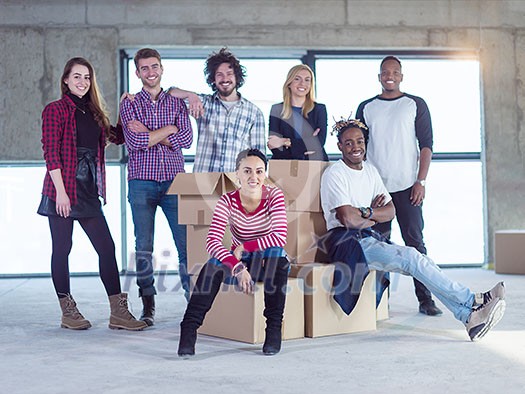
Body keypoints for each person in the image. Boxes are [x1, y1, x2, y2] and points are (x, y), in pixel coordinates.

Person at [320, 118, 505, 341]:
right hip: (345, 242)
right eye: (348, 143)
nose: (355, 147)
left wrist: (367, 214)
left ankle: (469, 317)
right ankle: (472, 301)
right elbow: (347, 219)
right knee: (410, 257)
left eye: (359, 141)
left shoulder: (370, 171)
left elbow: (390, 211)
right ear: (339, 146)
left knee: (420, 260)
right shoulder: (335, 174)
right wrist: (370, 215)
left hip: (367, 237)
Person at [37, 57, 147, 331]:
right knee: (62, 249)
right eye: (77, 76)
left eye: (87, 77)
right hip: (61, 189)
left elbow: (118, 136)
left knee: (106, 248)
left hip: (87, 191)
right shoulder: (55, 110)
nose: (82, 82)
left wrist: (126, 107)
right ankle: (67, 311)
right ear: (66, 80)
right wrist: (61, 193)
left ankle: (118, 312)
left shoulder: (94, 113)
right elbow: (50, 153)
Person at [177, 149, 289, 357]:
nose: (253, 177)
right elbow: (212, 242)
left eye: (259, 171)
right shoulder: (227, 200)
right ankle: (189, 329)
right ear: (236, 173)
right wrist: (237, 266)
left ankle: (273, 329)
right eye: (247, 171)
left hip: (266, 261)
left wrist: (245, 246)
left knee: (277, 255)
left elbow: (279, 237)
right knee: (211, 266)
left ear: (265, 174)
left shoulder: (274, 195)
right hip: (240, 262)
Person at [355, 55, 442, 316]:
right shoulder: (366, 107)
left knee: (415, 243)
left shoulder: (415, 104)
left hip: (407, 188)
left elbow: (426, 145)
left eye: (394, 71)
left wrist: (421, 181)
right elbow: (359, 147)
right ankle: (380, 303)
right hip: (377, 192)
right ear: (379, 76)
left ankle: (425, 299)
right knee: (380, 246)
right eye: (385, 72)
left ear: (401, 76)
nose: (389, 75)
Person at [119, 48, 193, 325]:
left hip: (175, 181)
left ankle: (192, 301)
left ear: (162, 69)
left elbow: (186, 138)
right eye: (144, 68)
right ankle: (148, 305)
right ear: (137, 73)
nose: (151, 72)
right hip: (141, 181)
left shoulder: (176, 103)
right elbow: (135, 143)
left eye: (155, 67)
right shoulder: (129, 103)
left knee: (185, 245)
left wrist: (153, 134)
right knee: (144, 246)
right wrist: (169, 130)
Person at [168, 47, 266, 172]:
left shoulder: (254, 112)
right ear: (213, 79)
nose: (225, 79)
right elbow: (169, 93)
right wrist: (190, 95)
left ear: (237, 77)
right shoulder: (203, 103)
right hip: (203, 181)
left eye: (229, 74)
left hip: (236, 182)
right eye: (219, 75)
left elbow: (259, 156)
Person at [267, 64, 328, 161]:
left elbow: (319, 142)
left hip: (314, 164)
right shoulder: (277, 109)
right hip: (284, 166)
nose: (302, 83)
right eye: (297, 79)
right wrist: (308, 145)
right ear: (289, 83)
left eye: (307, 80)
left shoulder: (319, 109)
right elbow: (274, 146)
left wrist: (285, 141)